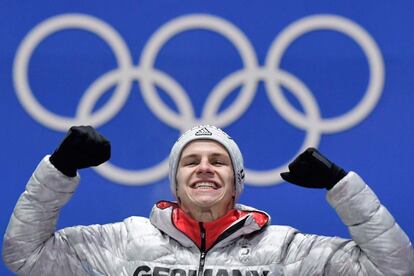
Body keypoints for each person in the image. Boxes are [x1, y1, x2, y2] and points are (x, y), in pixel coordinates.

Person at [2, 125, 414, 276]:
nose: (204, 168)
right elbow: (25, 255)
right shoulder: (122, 242)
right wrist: (58, 169)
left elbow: (393, 268)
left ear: (236, 184)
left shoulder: (288, 249)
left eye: (218, 162)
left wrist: (341, 187)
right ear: (175, 184)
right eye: (191, 162)